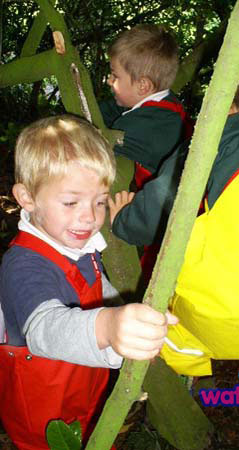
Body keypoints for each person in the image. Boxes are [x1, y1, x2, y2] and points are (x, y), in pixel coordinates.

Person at [0, 115, 177, 450]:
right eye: (71, 202)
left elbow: (96, 290)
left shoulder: (75, 244)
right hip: (43, 415)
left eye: (99, 201)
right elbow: (44, 329)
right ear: (27, 197)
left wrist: (126, 319)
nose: (90, 216)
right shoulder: (23, 265)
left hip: (84, 391)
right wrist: (109, 327)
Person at [109, 63, 239, 389]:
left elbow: (165, 198)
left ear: (230, 105)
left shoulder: (225, 133)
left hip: (229, 303)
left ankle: (185, 376)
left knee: (166, 332)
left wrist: (123, 221)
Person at [100, 24, 193, 279]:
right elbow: (111, 111)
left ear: (142, 86)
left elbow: (103, 135)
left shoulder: (148, 127)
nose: (109, 81)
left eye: (115, 76)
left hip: (157, 227)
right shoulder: (161, 105)